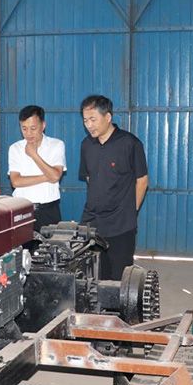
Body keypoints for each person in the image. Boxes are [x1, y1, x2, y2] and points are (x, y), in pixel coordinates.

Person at [78, 95, 148, 281]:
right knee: (93, 275)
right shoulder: (86, 145)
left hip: (121, 223)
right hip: (92, 221)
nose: (89, 125)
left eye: (93, 119)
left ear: (108, 117)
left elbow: (142, 180)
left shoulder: (130, 143)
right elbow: (89, 178)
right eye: (85, 120)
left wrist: (131, 210)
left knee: (120, 277)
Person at [8, 105, 66, 232]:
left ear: (43, 125)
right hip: (22, 210)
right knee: (23, 245)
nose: (28, 133)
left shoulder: (56, 145)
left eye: (33, 128)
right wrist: (47, 176)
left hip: (48, 210)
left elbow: (55, 176)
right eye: (24, 128)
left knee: (51, 244)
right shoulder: (15, 148)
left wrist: (34, 155)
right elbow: (16, 181)